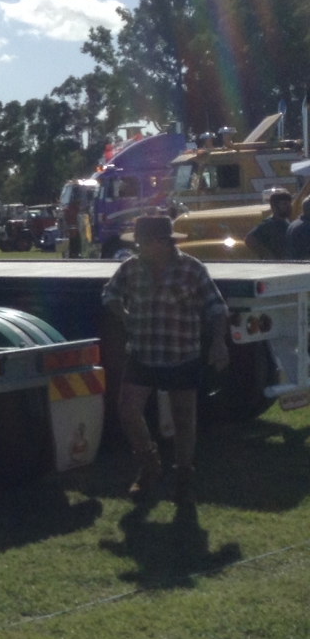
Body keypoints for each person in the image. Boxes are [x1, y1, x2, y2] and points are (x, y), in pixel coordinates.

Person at [101, 214, 230, 508]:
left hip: (181, 354)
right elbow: (110, 294)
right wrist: (123, 314)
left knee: (184, 418)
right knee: (128, 410)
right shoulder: (131, 268)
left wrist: (219, 342)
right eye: (138, 243)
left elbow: (216, 307)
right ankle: (149, 465)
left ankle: (183, 480)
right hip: (143, 352)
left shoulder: (192, 269)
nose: (138, 248)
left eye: (143, 243)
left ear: (161, 242)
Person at [245, 190, 293, 258]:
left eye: (290, 203)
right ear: (274, 207)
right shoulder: (268, 224)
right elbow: (249, 239)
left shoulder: (288, 223)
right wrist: (267, 255)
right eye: (284, 204)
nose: (289, 207)